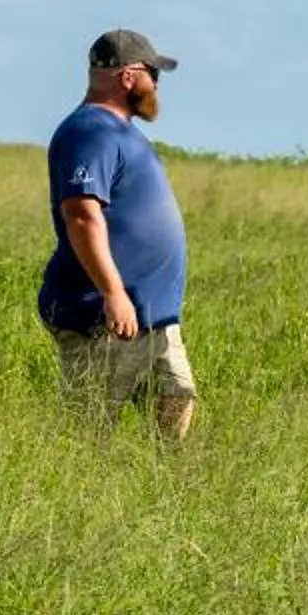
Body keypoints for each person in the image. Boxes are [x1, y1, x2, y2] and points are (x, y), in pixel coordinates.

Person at [36, 27, 196, 438]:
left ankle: (166, 491)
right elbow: (81, 214)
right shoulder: (90, 131)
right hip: (103, 315)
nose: (156, 84)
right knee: (89, 430)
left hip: (153, 315)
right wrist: (113, 292)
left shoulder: (123, 134)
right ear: (128, 76)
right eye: (152, 73)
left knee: (176, 399)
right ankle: (87, 498)